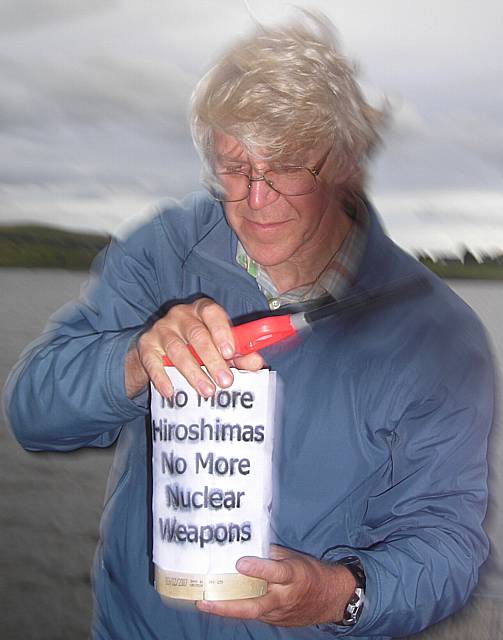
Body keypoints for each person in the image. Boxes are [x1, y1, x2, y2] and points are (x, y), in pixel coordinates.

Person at [3, 12, 494, 640]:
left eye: (287, 167)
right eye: (235, 168)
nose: (256, 199)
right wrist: (132, 359)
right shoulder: (165, 250)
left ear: (343, 163)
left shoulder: (437, 335)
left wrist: (337, 594)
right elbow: (32, 413)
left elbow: (449, 543)